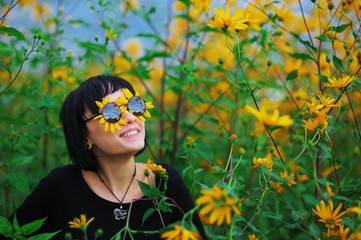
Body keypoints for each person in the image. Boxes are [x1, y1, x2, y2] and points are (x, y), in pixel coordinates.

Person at [8, 75, 206, 239]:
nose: (130, 117)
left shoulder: (165, 180)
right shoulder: (60, 187)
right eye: (111, 112)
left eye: (134, 105)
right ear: (85, 137)